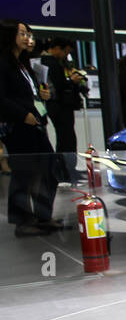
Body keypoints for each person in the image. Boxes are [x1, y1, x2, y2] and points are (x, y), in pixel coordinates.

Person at [0, 18, 63, 236]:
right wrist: (22, 114)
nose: (27, 38)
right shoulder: (3, 63)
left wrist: (41, 94)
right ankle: (22, 221)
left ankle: (42, 216)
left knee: (48, 168)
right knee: (24, 173)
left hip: (35, 123)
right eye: (22, 34)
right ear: (10, 37)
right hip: (18, 126)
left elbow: (30, 92)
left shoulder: (24, 63)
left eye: (28, 34)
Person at [40, 36, 89, 180]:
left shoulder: (49, 62)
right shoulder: (51, 63)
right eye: (65, 52)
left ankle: (67, 171)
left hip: (57, 106)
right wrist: (72, 81)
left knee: (65, 138)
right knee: (66, 139)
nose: (65, 56)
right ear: (57, 48)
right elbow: (60, 86)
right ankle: (66, 172)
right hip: (59, 106)